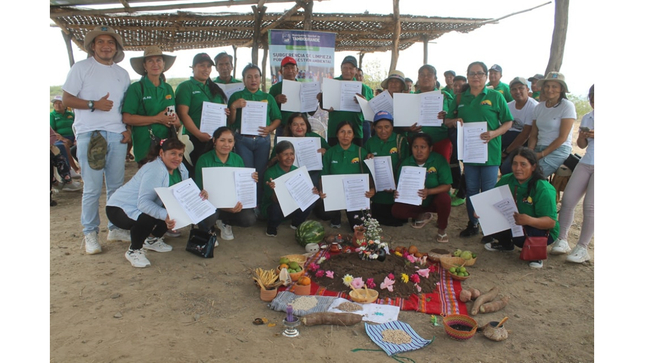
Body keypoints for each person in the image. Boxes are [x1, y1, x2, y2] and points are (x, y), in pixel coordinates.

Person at [62, 25, 132, 254]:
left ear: (116, 47)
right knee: (91, 188)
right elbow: (67, 99)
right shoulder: (81, 68)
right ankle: (90, 233)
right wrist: (94, 104)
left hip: (116, 134)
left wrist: (126, 128)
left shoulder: (122, 74)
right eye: (100, 42)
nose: (105, 46)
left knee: (115, 187)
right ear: (93, 46)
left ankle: (115, 227)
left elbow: (125, 107)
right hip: (90, 134)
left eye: (110, 42)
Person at [106, 138, 205, 268]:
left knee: (172, 209)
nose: (177, 158)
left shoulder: (181, 168)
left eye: (180, 154)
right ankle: (134, 250)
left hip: (144, 205)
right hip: (119, 208)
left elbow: (182, 193)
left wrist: (200, 194)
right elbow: (143, 203)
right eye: (173, 153)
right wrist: (165, 215)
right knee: (148, 217)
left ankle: (152, 239)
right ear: (161, 153)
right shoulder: (154, 169)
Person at [444, 61, 513, 241]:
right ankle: (473, 224)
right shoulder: (459, 98)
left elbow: (508, 122)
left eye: (480, 73)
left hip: (490, 151)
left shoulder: (496, 96)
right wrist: (454, 121)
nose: (476, 76)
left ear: (485, 76)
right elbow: (447, 121)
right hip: (470, 152)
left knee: (488, 190)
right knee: (472, 189)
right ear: (467, 75)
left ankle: (489, 228)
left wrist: (494, 133)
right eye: (472, 73)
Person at [482, 147, 559, 269]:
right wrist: (480, 209)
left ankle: (536, 254)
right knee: (490, 218)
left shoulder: (543, 189)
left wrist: (529, 220)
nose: (518, 168)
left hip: (538, 227)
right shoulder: (507, 179)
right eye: (514, 164)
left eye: (523, 164)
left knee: (528, 235)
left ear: (533, 167)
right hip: (516, 222)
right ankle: (505, 244)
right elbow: (491, 200)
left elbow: (550, 222)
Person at [550, 85, 594, 263]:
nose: (594, 99)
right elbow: (582, 145)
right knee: (568, 199)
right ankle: (562, 239)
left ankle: (583, 247)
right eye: (592, 96)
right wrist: (583, 137)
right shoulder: (588, 117)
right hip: (586, 162)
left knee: (590, 207)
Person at [228, 63, 282, 205]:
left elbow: (278, 118)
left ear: (261, 79)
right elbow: (231, 122)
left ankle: (259, 204)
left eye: (256, 76)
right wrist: (234, 107)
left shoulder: (268, 97)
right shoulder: (237, 96)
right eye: (249, 77)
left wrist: (270, 128)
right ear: (243, 79)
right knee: (247, 173)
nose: (253, 79)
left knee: (260, 173)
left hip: (262, 140)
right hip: (242, 140)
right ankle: (247, 204)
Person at [194, 126, 258, 241]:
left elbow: (241, 186)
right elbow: (198, 188)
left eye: (230, 141)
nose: (226, 144)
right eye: (222, 140)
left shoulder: (237, 159)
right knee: (209, 217)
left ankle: (225, 222)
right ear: (214, 141)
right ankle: (209, 229)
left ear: (234, 143)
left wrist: (251, 179)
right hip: (211, 203)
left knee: (249, 219)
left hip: (231, 204)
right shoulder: (204, 160)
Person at [122, 46, 179, 167]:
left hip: (167, 148)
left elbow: (171, 113)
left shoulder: (168, 88)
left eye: (158, 60)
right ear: (144, 65)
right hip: (145, 147)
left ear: (163, 64)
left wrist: (175, 120)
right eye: (150, 61)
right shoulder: (137, 88)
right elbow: (127, 118)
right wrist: (157, 119)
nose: (155, 64)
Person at [175, 53, 229, 177]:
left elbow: (222, 110)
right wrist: (198, 134)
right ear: (193, 67)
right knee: (196, 174)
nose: (206, 69)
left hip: (214, 140)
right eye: (202, 66)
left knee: (215, 174)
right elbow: (183, 114)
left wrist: (225, 112)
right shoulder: (185, 87)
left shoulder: (214, 88)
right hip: (194, 139)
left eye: (209, 66)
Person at [392, 133, 452, 242]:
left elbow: (447, 186)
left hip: (434, 200)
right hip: (415, 202)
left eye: (423, 147)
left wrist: (429, 191)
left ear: (430, 148)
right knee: (396, 210)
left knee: (445, 199)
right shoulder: (406, 163)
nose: (419, 151)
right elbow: (400, 185)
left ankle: (442, 230)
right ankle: (422, 215)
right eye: (415, 147)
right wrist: (397, 192)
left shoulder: (439, 160)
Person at [316, 121, 375, 230]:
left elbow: (368, 175)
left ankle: (350, 213)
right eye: (342, 132)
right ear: (337, 134)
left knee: (358, 227)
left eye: (349, 132)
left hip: (354, 195)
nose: (345, 135)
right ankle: (336, 216)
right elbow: (323, 175)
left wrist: (372, 189)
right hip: (335, 194)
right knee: (323, 213)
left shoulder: (361, 152)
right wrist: (321, 191)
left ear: (353, 135)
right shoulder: (330, 153)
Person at [262, 140, 320, 237]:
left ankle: (296, 223)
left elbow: (304, 193)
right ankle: (272, 227)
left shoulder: (297, 170)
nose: (289, 157)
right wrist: (274, 189)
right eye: (285, 154)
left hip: (292, 205)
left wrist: (312, 192)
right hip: (275, 207)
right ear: (277, 156)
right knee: (275, 208)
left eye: (292, 154)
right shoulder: (270, 173)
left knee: (312, 200)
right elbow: (274, 200)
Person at [364, 110, 409, 226]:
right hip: (378, 191)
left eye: (387, 127)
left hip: (396, 190)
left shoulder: (400, 140)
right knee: (377, 218)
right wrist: (368, 158)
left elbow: (406, 166)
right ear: (373, 127)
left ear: (392, 127)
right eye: (379, 127)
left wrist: (396, 184)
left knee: (400, 218)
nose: (383, 131)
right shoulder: (370, 142)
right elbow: (366, 167)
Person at [527, 71, 577, 176]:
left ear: (561, 89)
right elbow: (533, 134)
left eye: (554, 86)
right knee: (519, 170)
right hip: (538, 147)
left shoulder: (567, 106)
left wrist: (541, 154)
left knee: (535, 174)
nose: (550, 90)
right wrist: (531, 152)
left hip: (559, 149)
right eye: (547, 86)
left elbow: (562, 137)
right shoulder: (539, 107)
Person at [322, 55, 373, 146]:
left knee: (355, 159)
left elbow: (369, 111)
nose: (348, 71)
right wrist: (325, 105)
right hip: (335, 130)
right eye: (345, 68)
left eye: (351, 68)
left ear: (356, 70)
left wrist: (363, 102)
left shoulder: (363, 88)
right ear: (341, 68)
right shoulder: (332, 83)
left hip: (355, 131)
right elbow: (323, 105)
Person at [407, 65, 453, 163]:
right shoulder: (411, 98)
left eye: (429, 75)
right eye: (422, 75)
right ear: (418, 78)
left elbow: (454, 117)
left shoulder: (445, 96)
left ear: (435, 79)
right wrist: (408, 128)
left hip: (440, 141)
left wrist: (446, 116)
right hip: (416, 143)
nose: (425, 77)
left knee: (440, 171)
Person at [270, 112, 330, 187]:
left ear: (307, 126)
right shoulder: (282, 141)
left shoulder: (314, 137)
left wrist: (325, 151)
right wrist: (277, 158)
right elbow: (271, 163)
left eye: (302, 124)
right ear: (290, 126)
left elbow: (331, 154)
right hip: (289, 175)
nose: (299, 127)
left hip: (312, 174)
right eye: (295, 125)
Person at [499, 77, 539, 175]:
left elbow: (525, 134)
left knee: (507, 167)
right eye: (514, 89)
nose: (517, 91)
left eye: (521, 88)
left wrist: (506, 152)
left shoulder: (533, 106)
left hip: (521, 144)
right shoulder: (508, 106)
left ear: (527, 89)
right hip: (505, 141)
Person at [269, 56, 314, 142]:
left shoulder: (304, 87)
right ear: (281, 71)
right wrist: (275, 100)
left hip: (301, 129)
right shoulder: (275, 89)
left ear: (297, 70)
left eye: (293, 68)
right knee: (281, 153)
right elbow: (269, 111)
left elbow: (312, 112)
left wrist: (313, 101)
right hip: (283, 128)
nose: (290, 71)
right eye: (286, 68)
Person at [50, 95, 80, 175]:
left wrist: (75, 139)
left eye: (60, 103)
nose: (57, 105)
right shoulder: (52, 115)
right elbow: (52, 131)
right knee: (65, 146)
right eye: (55, 103)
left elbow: (77, 126)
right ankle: (73, 169)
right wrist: (63, 139)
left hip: (73, 137)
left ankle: (84, 167)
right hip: (59, 139)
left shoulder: (70, 114)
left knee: (82, 145)